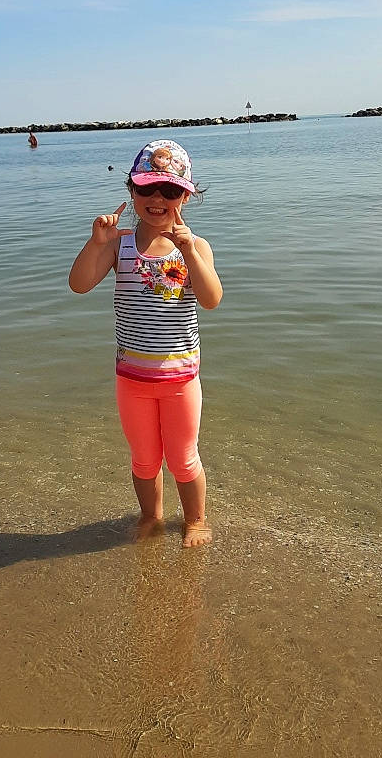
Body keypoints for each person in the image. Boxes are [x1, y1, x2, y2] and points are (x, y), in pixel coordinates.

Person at [68, 140, 223, 547]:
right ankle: (151, 516)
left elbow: (211, 299)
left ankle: (196, 519)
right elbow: (79, 284)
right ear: (131, 191)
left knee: (184, 458)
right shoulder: (118, 245)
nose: (158, 199)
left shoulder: (196, 246)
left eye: (170, 191)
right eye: (147, 189)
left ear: (186, 196)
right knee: (143, 458)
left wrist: (189, 250)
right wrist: (96, 243)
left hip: (180, 378)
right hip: (132, 378)